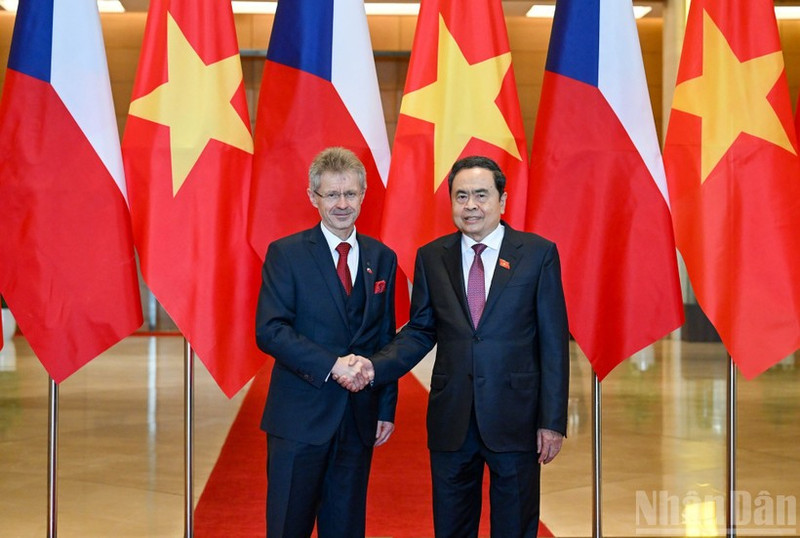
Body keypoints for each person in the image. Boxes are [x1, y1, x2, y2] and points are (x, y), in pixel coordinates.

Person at [340, 155, 569, 537]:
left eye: (481, 195)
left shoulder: (537, 254)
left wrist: (552, 421)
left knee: (515, 525)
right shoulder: (432, 257)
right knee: (451, 527)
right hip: (452, 419)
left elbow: (553, 342)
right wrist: (374, 367)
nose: (471, 206)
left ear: (503, 200)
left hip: (516, 418)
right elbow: (421, 330)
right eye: (461, 196)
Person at [255, 146, 398, 537]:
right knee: (289, 526)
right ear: (312, 197)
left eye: (350, 194)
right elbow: (270, 330)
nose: (341, 204)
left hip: (358, 418)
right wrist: (332, 365)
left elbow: (385, 338)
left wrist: (385, 407)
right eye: (331, 195)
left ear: (363, 195)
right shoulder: (286, 254)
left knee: (347, 528)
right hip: (299, 419)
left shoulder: (382, 257)